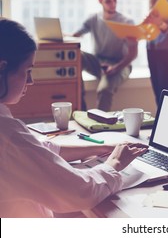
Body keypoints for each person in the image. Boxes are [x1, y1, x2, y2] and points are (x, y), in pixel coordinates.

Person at [0, 18, 147, 217]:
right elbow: (80, 192)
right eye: (27, 71)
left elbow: (40, 150)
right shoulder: (8, 137)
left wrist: (102, 148)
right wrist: (115, 163)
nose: (31, 81)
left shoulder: (11, 135)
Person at [73, 0, 138, 111]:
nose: (113, 4)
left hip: (120, 65)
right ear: (100, 1)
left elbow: (133, 54)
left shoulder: (127, 22)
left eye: (115, 0)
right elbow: (75, 34)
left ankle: (100, 127)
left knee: (104, 90)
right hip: (98, 62)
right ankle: (80, 110)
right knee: (77, 55)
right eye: (108, 1)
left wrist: (116, 68)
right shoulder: (93, 18)